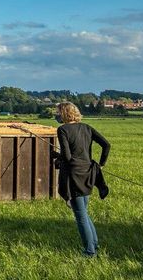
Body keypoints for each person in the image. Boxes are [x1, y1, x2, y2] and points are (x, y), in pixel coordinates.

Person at [54, 101, 110, 258]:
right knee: (83, 212)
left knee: (80, 215)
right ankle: (94, 244)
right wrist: (101, 164)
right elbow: (106, 145)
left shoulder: (62, 129)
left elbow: (67, 157)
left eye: (57, 112)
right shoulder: (86, 128)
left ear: (64, 113)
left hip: (74, 176)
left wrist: (57, 157)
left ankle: (89, 251)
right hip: (88, 173)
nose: (56, 115)